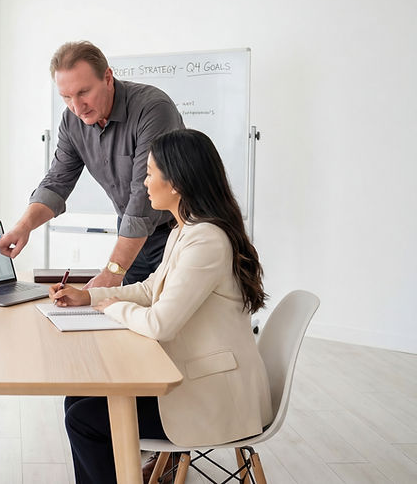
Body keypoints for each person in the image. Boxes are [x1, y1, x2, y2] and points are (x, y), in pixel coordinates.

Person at [49, 129, 272, 484]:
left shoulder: (207, 240)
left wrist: (108, 307)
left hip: (215, 397)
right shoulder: (186, 230)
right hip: (200, 380)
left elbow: (159, 324)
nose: (144, 181)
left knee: (83, 419)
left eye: (150, 172)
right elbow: (153, 289)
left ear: (177, 183)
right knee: (78, 399)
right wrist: (88, 297)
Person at [0, 41, 184, 287]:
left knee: (170, 318)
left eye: (83, 92)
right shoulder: (71, 121)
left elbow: (142, 198)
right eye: (66, 97)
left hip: (176, 232)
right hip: (130, 232)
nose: (77, 108)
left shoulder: (152, 109)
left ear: (108, 77)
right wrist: (23, 227)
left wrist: (112, 272)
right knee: (130, 315)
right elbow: (57, 182)